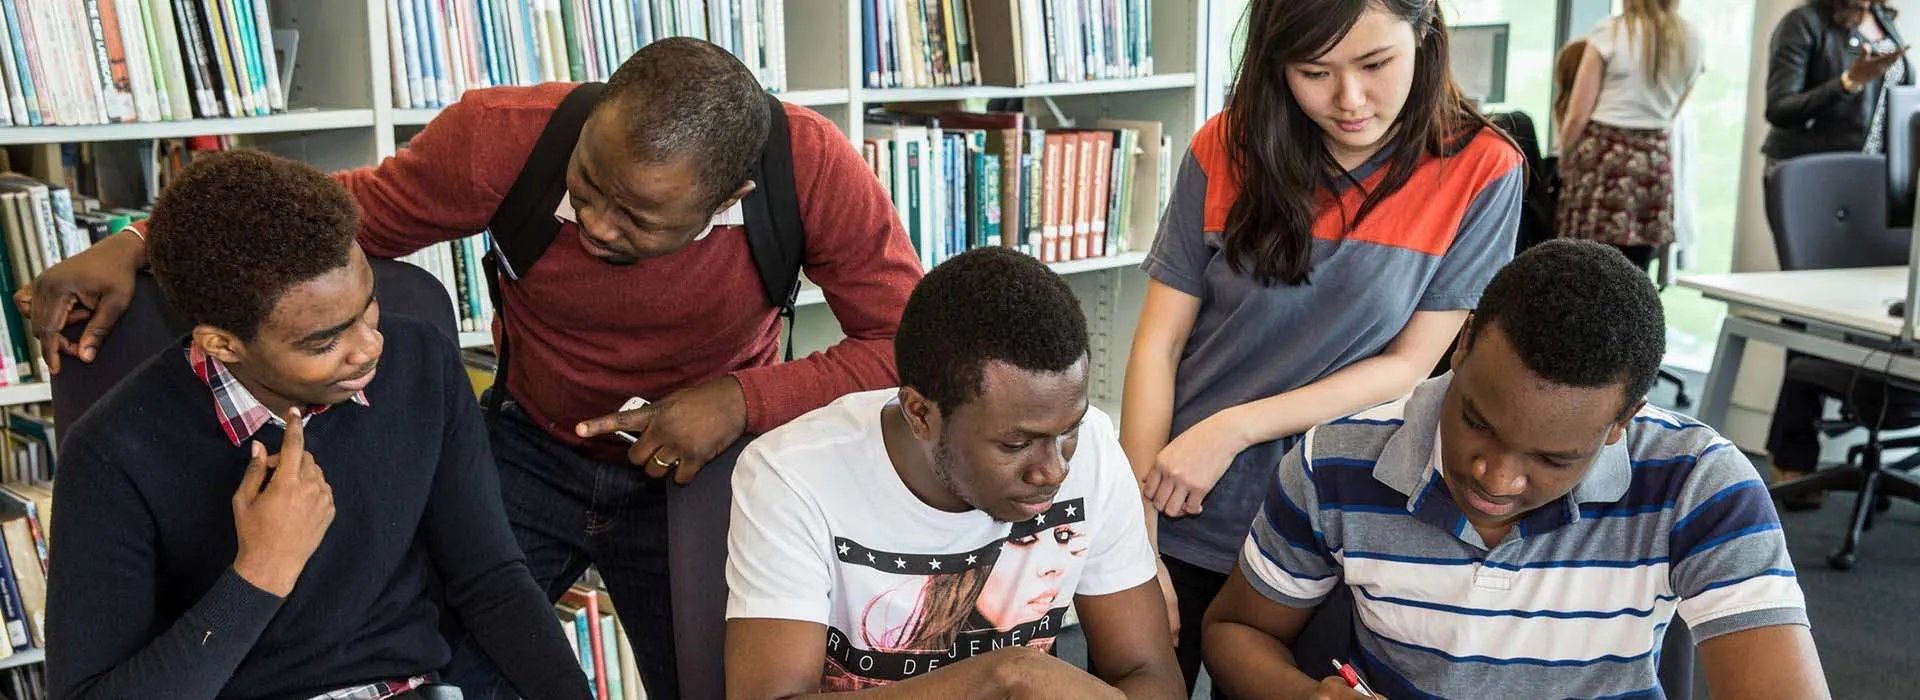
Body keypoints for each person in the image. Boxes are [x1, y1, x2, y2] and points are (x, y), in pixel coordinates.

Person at [23, 38, 921, 698]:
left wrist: (738, 401)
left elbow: (900, 345)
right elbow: (306, 232)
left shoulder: (809, 170)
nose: (595, 225)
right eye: (588, 187)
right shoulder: (505, 138)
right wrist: (139, 240)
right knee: (468, 652)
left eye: (637, 220)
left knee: (717, 682)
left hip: (701, 464)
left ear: (732, 199)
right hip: (532, 448)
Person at [44, 151, 593, 700]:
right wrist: (259, 574)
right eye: (324, 341)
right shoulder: (112, 452)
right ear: (222, 344)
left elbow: (493, 582)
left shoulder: (421, 363)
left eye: (368, 306)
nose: (369, 348)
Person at [1203, 239, 1828, 700]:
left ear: (1622, 423)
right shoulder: (1335, 461)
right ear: (1464, 342)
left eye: (1555, 459)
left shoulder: (1699, 484)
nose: (1495, 479)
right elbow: (1234, 630)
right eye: (1477, 422)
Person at [1118, 0, 1522, 690]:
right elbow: (1157, 345)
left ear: (1424, 35)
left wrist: (1234, 428)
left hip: (1332, 522)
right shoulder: (1225, 146)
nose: (1349, 99)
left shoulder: (1480, 169)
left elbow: (1406, 368)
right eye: (1314, 71)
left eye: (1376, 64)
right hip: (1182, 497)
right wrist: (1134, 537)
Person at [724, 247, 1184, 699]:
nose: (1054, 470)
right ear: (921, 414)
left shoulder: (1096, 450)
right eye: (1016, 444)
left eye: (1069, 431)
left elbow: (1152, 676)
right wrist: (1000, 677)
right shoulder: (791, 478)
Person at [1763, 0, 1914, 507]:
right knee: (1811, 320)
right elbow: (1780, 107)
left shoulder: (1887, 21)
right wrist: (1848, 82)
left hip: (1872, 188)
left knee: (1868, 316)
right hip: (1814, 186)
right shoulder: (1804, 23)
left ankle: (1854, 447)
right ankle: (1793, 457)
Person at [1555, 0, 1705, 272]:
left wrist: (1565, 153)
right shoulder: (1691, 38)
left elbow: (1578, 113)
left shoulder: (1611, 32)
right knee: (1635, 271)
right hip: (1653, 159)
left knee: (1587, 269)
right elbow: (1674, 109)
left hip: (1603, 157)